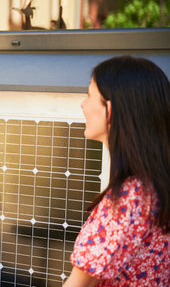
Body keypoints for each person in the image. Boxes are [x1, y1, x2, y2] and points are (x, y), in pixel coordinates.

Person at [63, 56, 169, 286]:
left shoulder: (130, 198)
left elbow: (79, 284)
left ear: (109, 111)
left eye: (90, 95)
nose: (83, 104)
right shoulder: (156, 186)